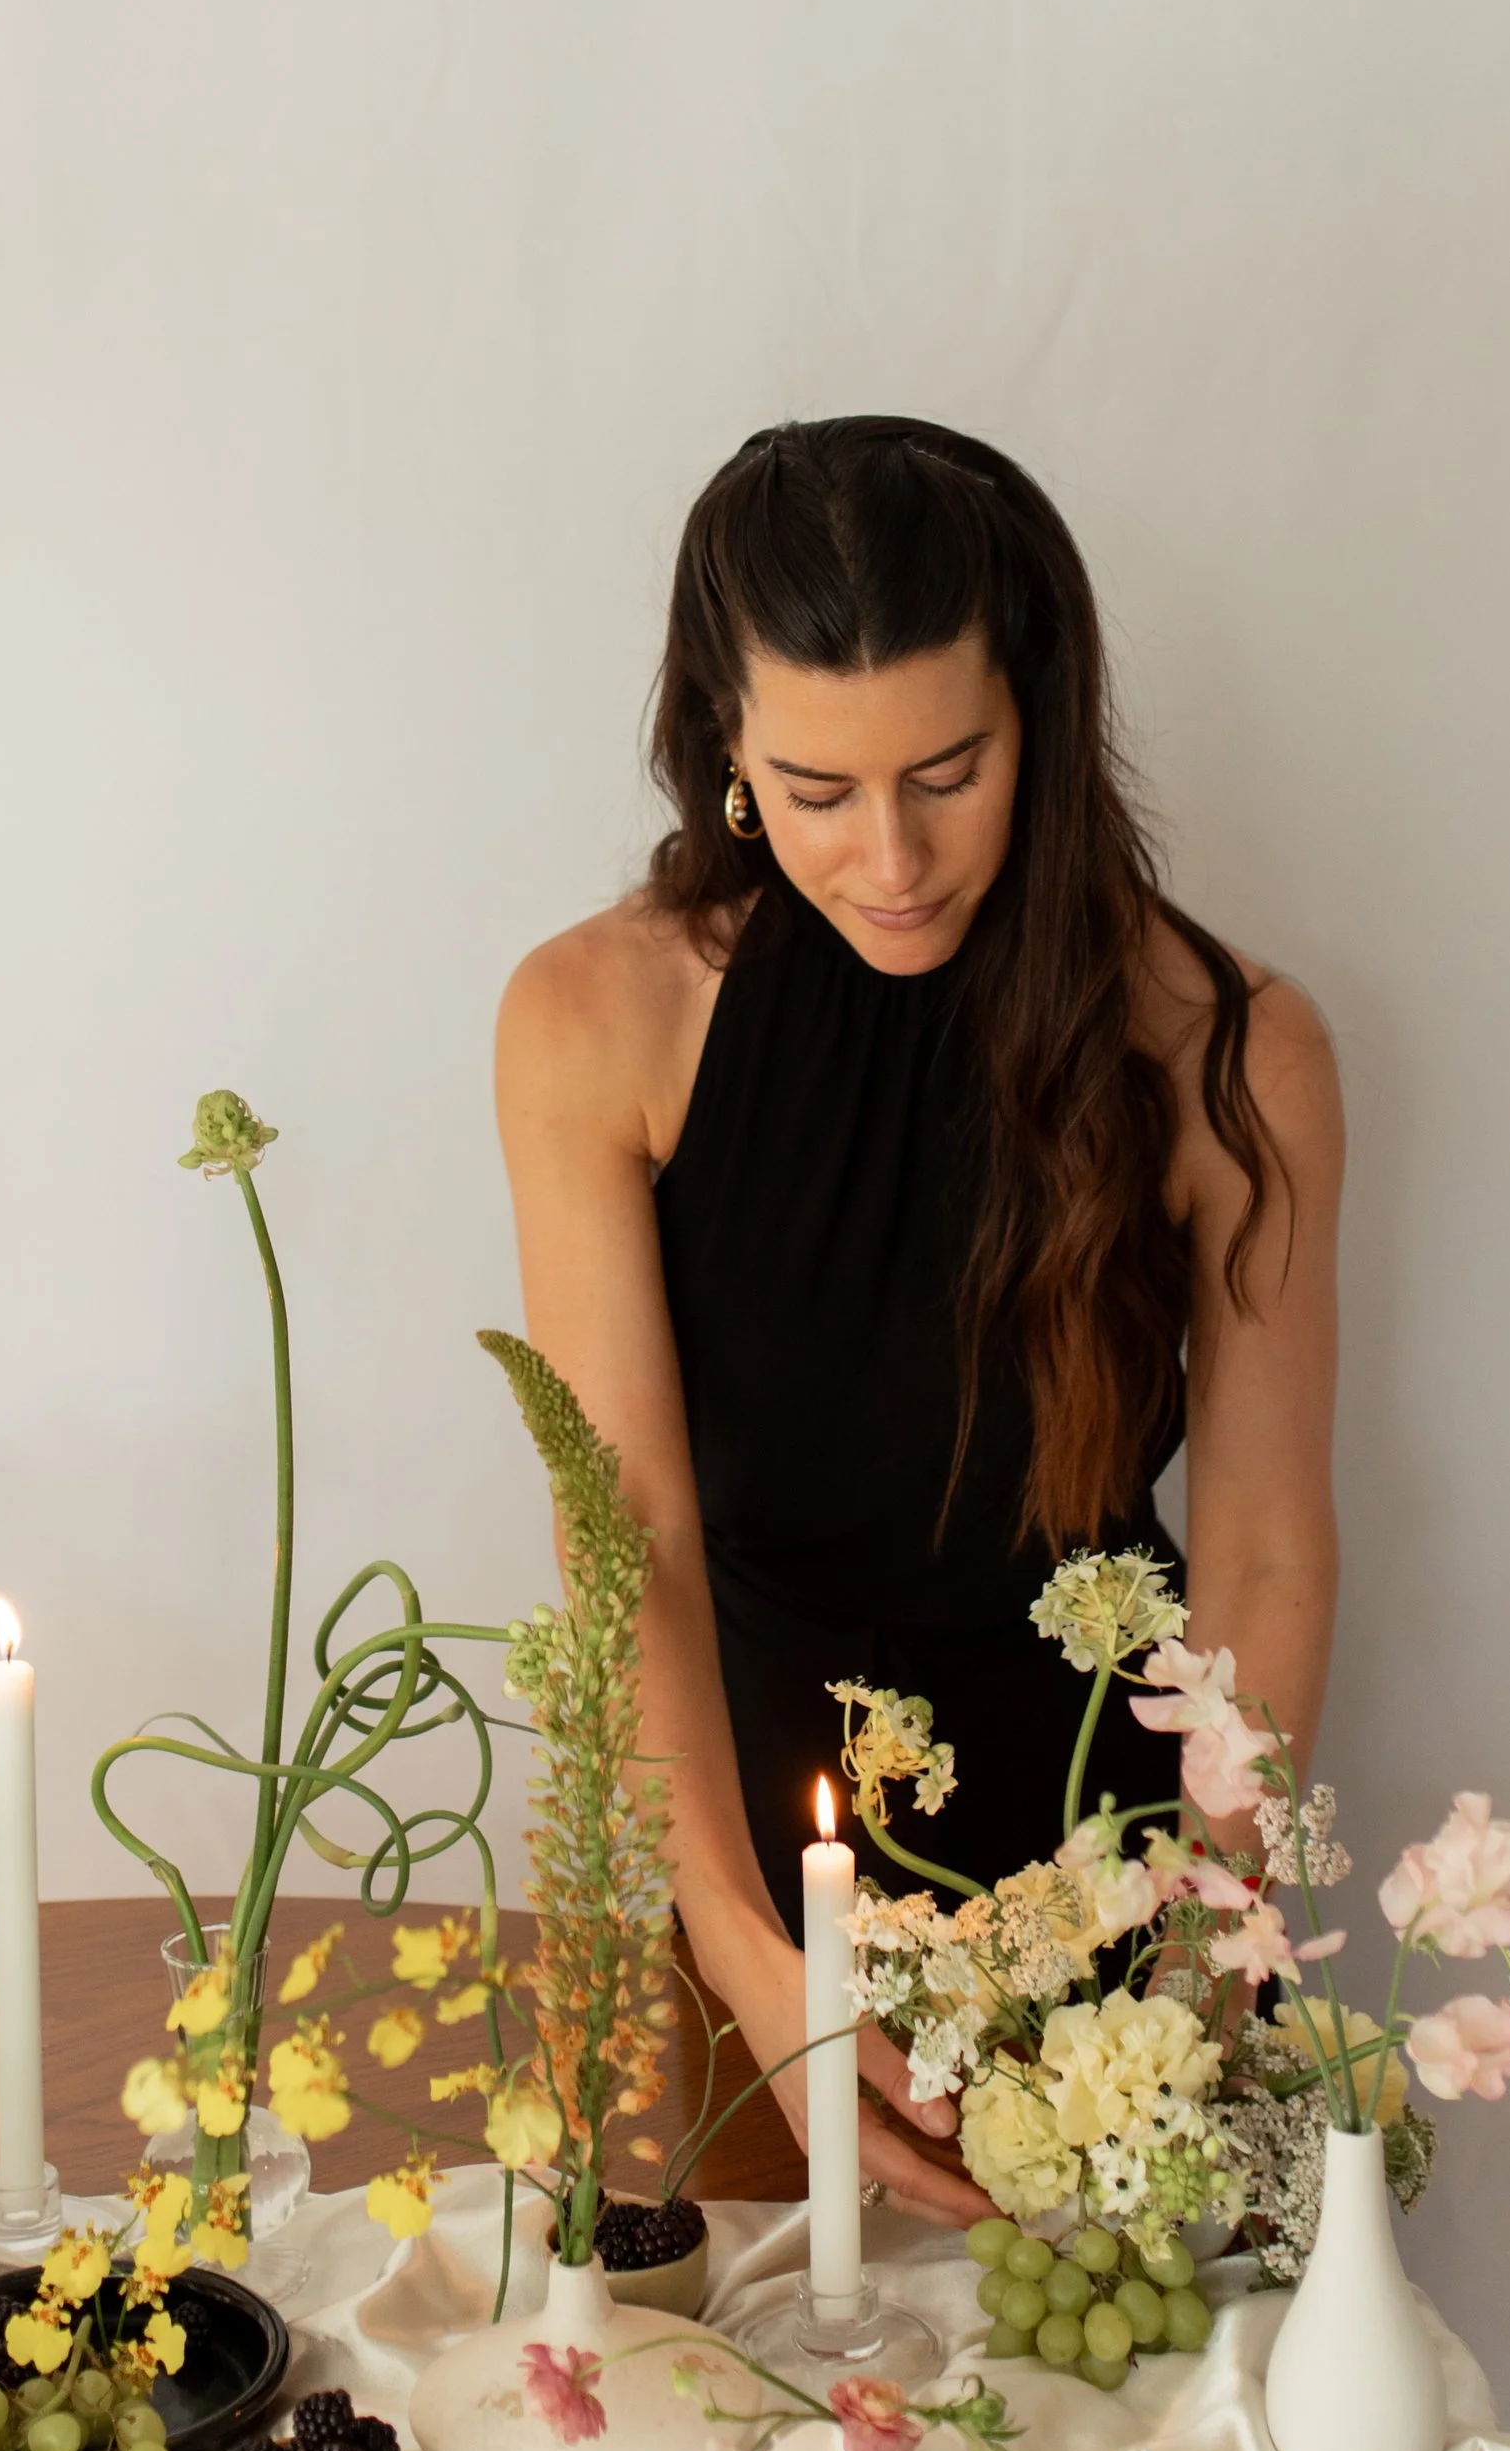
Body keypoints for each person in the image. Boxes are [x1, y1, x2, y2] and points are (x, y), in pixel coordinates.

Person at [496, 418, 1341, 2220]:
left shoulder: (1233, 1053)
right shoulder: (598, 1022)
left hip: (1128, 1888)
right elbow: (619, 1524)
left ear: (1035, 714)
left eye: (948, 770)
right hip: (735, 1880)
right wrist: (734, 1937)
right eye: (816, 791)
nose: (892, 856)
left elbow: (1264, 1556)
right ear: (726, 749)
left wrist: (1204, 1962)